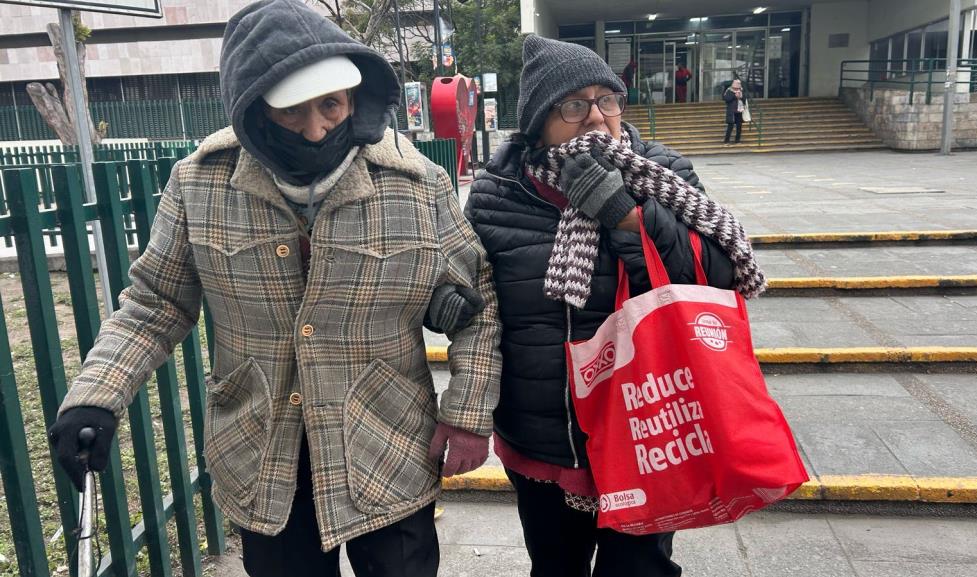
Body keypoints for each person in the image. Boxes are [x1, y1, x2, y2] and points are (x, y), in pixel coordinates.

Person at [45, 1, 502, 576]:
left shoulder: (416, 184)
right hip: (263, 456)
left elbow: (477, 307)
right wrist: (97, 394)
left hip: (386, 447)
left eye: (332, 105)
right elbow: (154, 305)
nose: (316, 129)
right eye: (292, 112)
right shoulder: (200, 183)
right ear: (254, 109)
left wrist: (467, 413)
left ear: (354, 98)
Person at [465, 35, 764, 577]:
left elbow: (720, 276)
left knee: (640, 569)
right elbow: (479, 303)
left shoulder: (664, 175)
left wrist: (630, 217)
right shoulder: (498, 192)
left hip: (650, 424)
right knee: (555, 567)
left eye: (608, 100)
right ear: (538, 121)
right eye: (574, 105)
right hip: (544, 433)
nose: (597, 117)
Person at [723, 78, 747, 145]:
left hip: (739, 111)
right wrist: (735, 96)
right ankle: (726, 141)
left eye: (739, 84)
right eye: (737, 84)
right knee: (730, 127)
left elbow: (745, 100)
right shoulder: (729, 90)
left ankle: (737, 140)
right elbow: (726, 99)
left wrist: (741, 97)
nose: (738, 86)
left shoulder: (741, 90)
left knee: (739, 127)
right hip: (731, 111)